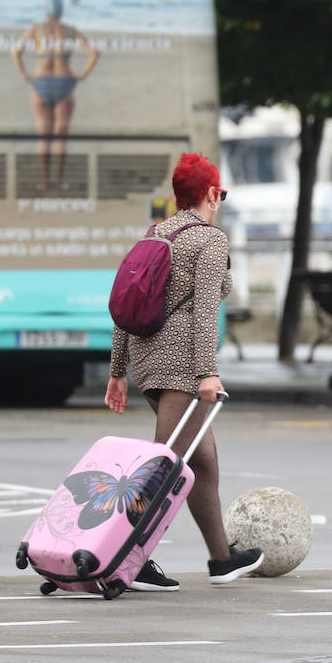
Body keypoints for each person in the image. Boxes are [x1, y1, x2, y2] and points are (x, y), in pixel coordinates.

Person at [105, 152, 264, 591]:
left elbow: (124, 307)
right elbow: (203, 316)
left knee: (203, 463)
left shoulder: (155, 234)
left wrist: (118, 370)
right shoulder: (210, 240)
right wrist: (207, 373)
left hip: (148, 363)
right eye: (221, 193)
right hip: (182, 367)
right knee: (164, 466)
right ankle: (126, 561)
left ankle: (221, 559)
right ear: (212, 194)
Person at [10, 0, 99, 191]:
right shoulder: (69, 30)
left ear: (45, 10)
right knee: (60, 136)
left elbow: (16, 51)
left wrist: (25, 74)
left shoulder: (36, 29)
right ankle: (59, 183)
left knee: (44, 134)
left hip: (40, 82)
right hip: (65, 82)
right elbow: (94, 53)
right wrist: (82, 75)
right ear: (61, 10)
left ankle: (44, 182)